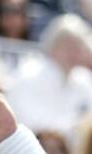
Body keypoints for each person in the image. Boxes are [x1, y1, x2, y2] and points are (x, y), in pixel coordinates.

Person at [6, 13, 92, 144]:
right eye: (68, 46)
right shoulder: (28, 74)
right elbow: (29, 124)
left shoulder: (83, 78)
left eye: (78, 46)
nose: (74, 52)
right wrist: (73, 127)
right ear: (54, 46)